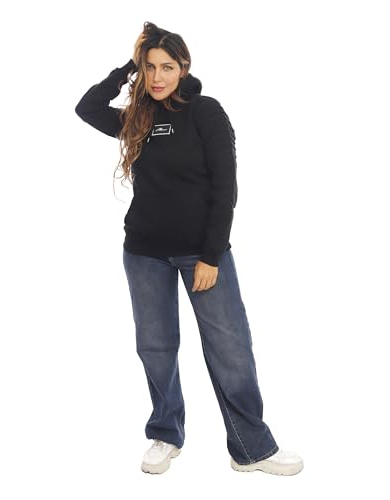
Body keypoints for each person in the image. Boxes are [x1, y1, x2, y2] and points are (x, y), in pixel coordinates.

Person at [75, 21, 303, 476]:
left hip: (202, 253)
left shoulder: (206, 112)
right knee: (155, 347)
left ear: (184, 68)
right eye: (150, 67)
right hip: (144, 253)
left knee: (230, 348)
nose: (157, 76)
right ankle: (165, 433)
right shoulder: (137, 118)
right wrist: (127, 66)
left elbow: (224, 188)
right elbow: (87, 107)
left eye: (167, 67)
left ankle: (251, 448)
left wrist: (210, 256)